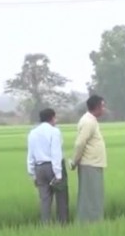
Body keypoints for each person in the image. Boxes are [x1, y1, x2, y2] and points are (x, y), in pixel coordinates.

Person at [26, 108, 69, 223]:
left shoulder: (33, 133)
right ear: (52, 118)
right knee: (61, 197)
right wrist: (58, 174)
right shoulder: (54, 131)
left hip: (39, 168)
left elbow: (30, 154)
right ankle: (63, 224)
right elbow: (56, 153)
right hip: (52, 167)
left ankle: (45, 225)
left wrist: (32, 174)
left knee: (44, 200)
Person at [72, 94, 108, 223]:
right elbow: (80, 143)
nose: (104, 109)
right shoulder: (88, 122)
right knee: (90, 197)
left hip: (94, 164)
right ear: (97, 107)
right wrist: (75, 161)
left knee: (95, 196)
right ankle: (88, 222)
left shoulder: (91, 120)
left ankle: (94, 221)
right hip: (89, 164)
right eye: (103, 106)